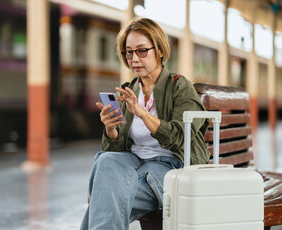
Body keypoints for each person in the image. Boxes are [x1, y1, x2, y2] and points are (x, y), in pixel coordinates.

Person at [80, 17, 210, 230]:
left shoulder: (179, 86)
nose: (134, 58)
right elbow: (115, 149)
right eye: (128, 52)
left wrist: (142, 113)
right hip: (133, 163)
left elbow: (180, 136)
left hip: (170, 167)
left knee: (105, 197)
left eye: (142, 51)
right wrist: (110, 129)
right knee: (105, 162)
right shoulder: (128, 89)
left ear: (159, 50)